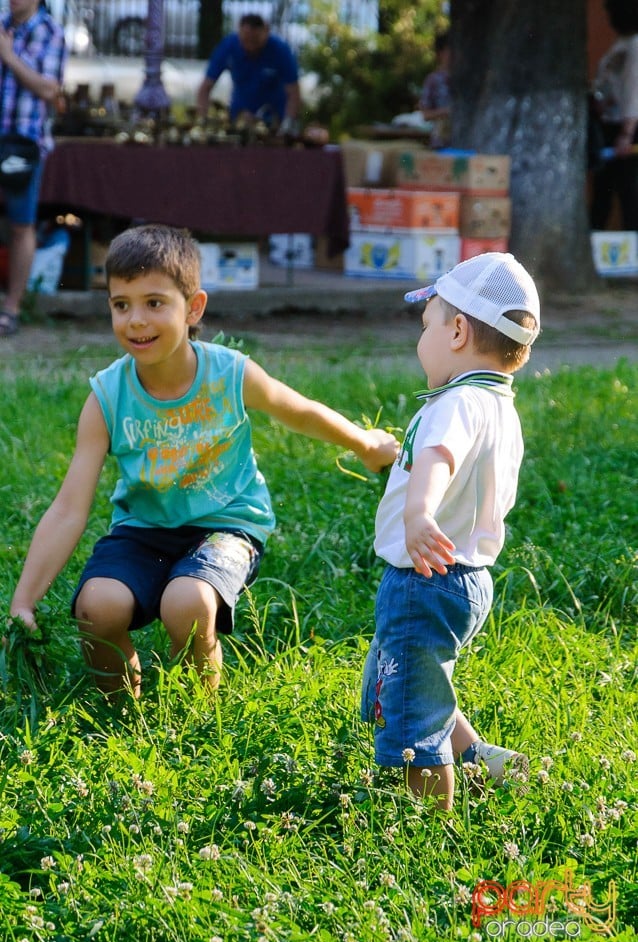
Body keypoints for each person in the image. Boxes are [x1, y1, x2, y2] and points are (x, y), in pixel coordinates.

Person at [9, 223, 399, 698]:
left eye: (155, 303)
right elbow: (70, 507)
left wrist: (365, 444)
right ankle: (120, 712)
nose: (135, 320)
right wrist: (25, 599)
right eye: (120, 304)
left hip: (226, 528)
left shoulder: (228, 373)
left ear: (193, 307)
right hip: (143, 531)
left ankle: (201, 711)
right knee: (96, 606)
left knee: (186, 602)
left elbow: (299, 411)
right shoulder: (107, 398)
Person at [361, 251, 540, 812]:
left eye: (426, 326)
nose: (422, 340)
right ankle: (483, 761)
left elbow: (439, 457)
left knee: (413, 716)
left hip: (424, 580)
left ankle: (426, 834)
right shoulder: (497, 406)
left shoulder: (455, 402)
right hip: (466, 580)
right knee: (412, 680)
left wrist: (419, 513)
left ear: (458, 330)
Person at [0, 0, 66, 336]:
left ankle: (11, 309)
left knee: (21, 224)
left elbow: (49, 88)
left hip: (25, 142)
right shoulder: (1, 23)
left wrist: (9, 57)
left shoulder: (50, 32)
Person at [196, 13, 301, 135]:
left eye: (255, 41)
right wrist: (202, 121)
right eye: (246, 41)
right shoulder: (228, 47)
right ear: (239, 33)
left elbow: (293, 93)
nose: (250, 46)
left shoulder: (281, 50)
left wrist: (287, 124)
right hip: (239, 119)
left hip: (274, 121)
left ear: (266, 32)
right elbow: (205, 87)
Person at [590, 0, 638, 230]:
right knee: (603, 192)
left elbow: (633, 92)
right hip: (610, 126)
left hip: (626, 129)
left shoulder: (635, 46)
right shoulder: (621, 44)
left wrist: (627, 134)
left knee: (629, 193)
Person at [419, 30, 451, 149]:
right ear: (441, 53)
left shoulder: (466, 79)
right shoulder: (433, 80)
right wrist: (447, 112)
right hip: (440, 144)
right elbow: (425, 115)